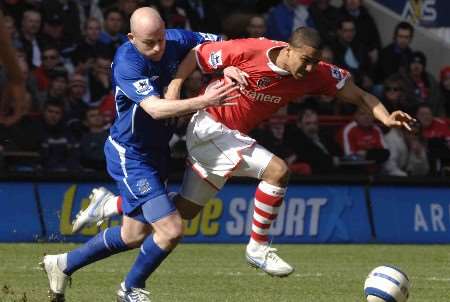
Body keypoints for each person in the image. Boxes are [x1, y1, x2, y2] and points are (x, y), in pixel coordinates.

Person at [73, 27, 415, 278]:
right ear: (289, 50)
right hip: (209, 126)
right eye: (306, 61)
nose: (310, 69)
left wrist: (386, 116)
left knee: (183, 214)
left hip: (229, 138)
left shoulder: (317, 74)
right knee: (278, 170)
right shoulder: (252, 50)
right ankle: (258, 247)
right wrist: (178, 84)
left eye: (315, 63)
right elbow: (197, 55)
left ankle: (111, 203)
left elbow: (359, 95)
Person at [41, 7, 236, 302]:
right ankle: (130, 289)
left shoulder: (175, 38)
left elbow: (216, 44)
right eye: (149, 43)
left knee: (133, 235)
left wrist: (226, 66)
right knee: (171, 230)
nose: (158, 48)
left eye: (160, 39)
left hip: (156, 151)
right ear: (132, 37)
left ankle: (63, 263)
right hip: (131, 154)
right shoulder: (127, 62)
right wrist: (204, 100)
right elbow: (156, 109)